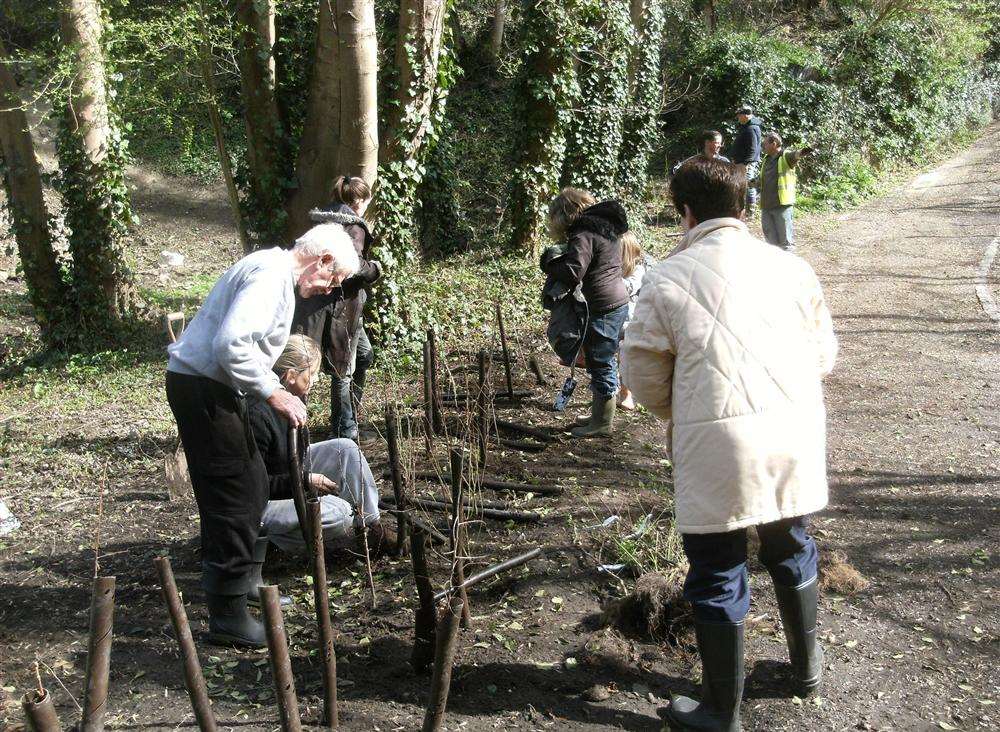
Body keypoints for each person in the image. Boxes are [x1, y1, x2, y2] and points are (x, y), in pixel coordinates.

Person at [621, 157, 837, 731]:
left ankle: (722, 710)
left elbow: (641, 376)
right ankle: (806, 672)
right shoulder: (792, 267)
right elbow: (824, 356)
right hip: (791, 436)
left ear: (684, 211)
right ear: (744, 207)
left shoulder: (668, 277)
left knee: (717, 568)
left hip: (718, 446)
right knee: (791, 543)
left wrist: (687, 412)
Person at [165, 224, 360, 648]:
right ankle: (228, 615)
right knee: (232, 493)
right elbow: (231, 344)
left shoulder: (274, 271)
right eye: (334, 278)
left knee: (251, 480)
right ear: (322, 259)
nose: (331, 289)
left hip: (215, 387)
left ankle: (247, 580)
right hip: (204, 389)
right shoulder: (271, 276)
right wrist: (274, 392)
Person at [247, 335, 395, 590]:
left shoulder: (293, 394)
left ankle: (372, 529)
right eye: (311, 373)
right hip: (262, 504)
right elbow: (253, 485)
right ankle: (274, 543)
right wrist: (305, 481)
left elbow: (297, 454)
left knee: (345, 448)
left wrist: (303, 477)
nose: (315, 380)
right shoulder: (257, 414)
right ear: (290, 375)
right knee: (338, 511)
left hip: (292, 471)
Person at [294, 175, 382, 441]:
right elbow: (351, 266)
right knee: (342, 368)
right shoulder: (353, 227)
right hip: (341, 307)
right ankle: (344, 431)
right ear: (359, 201)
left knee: (363, 356)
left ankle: (346, 418)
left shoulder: (321, 219)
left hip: (315, 303)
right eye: (366, 201)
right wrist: (374, 269)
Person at [540, 187, 630, 437]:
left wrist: (550, 263)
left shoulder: (584, 232)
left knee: (600, 362)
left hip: (603, 306)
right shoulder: (603, 227)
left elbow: (573, 271)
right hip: (615, 301)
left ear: (565, 213)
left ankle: (602, 423)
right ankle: (598, 413)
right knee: (601, 358)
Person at [617, 230, 654, 411]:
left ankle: (627, 394)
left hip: (631, 323)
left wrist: (607, 281)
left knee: (625, 359)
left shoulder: (638, 270)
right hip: (616, 320)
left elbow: (629, 287)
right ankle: (609, 395)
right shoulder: (615, 270)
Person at [759, 131, 812, 252]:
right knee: (770, 242)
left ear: (774, 143)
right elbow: (764, 179)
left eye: (765, 144)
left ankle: (789, 267)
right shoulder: (766, 160)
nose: (763, 146)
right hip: (766, 206)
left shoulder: (785, 156)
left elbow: (795, 155)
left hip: (781, 205)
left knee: (785, 242)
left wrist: (803, 152)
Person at [728, 106, 762, 215]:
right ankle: (743, 211)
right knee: (743, 186)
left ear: (746, 115)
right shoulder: (746, 126)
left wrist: (746, 164)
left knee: (749, 186)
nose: (738, 117)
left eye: (740, 114)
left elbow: (752, 148)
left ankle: (750, 212)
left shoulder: (751, 128)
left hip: (746, 163)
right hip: (741, 162)